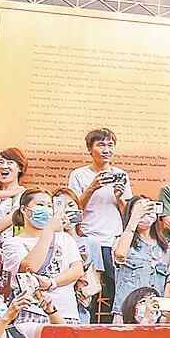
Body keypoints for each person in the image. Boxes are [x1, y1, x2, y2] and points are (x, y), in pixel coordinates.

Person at [0, 189, 89, 338]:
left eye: (49, 205)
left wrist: (51, 283)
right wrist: (48, 231)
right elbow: (29, 267)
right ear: (24, 210)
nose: (46, 210)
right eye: (40, 204)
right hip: (32, 317)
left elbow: (77, 270)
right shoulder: (13, 243)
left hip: (67, 316)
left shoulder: (66, 239)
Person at [66, 129, 129, 322]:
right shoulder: (79, 175)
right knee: (88, 291)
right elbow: (73, 207)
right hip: (88, 239)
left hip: (113, 241)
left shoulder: (121, 174)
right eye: (101, 145)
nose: (106, 149)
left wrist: (120, 197)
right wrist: (92, 187)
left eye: (110, 145)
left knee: (113, 290)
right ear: (90, 149)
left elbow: (128, 212)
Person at [110, 195, 170, 316]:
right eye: (140, 209)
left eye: (148, 208)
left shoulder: (166, 247)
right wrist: (135, 217)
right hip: (127, 313)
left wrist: (163, 314)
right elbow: (120, 255)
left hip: (154, 315)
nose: (145, 213)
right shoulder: (122, 241)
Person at [0, 148, 29, 234]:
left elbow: (13, 217)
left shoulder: (24, 194)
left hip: (7, 240)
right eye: (0, 163)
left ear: (20, 168)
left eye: (10, 163)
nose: (4, 166)